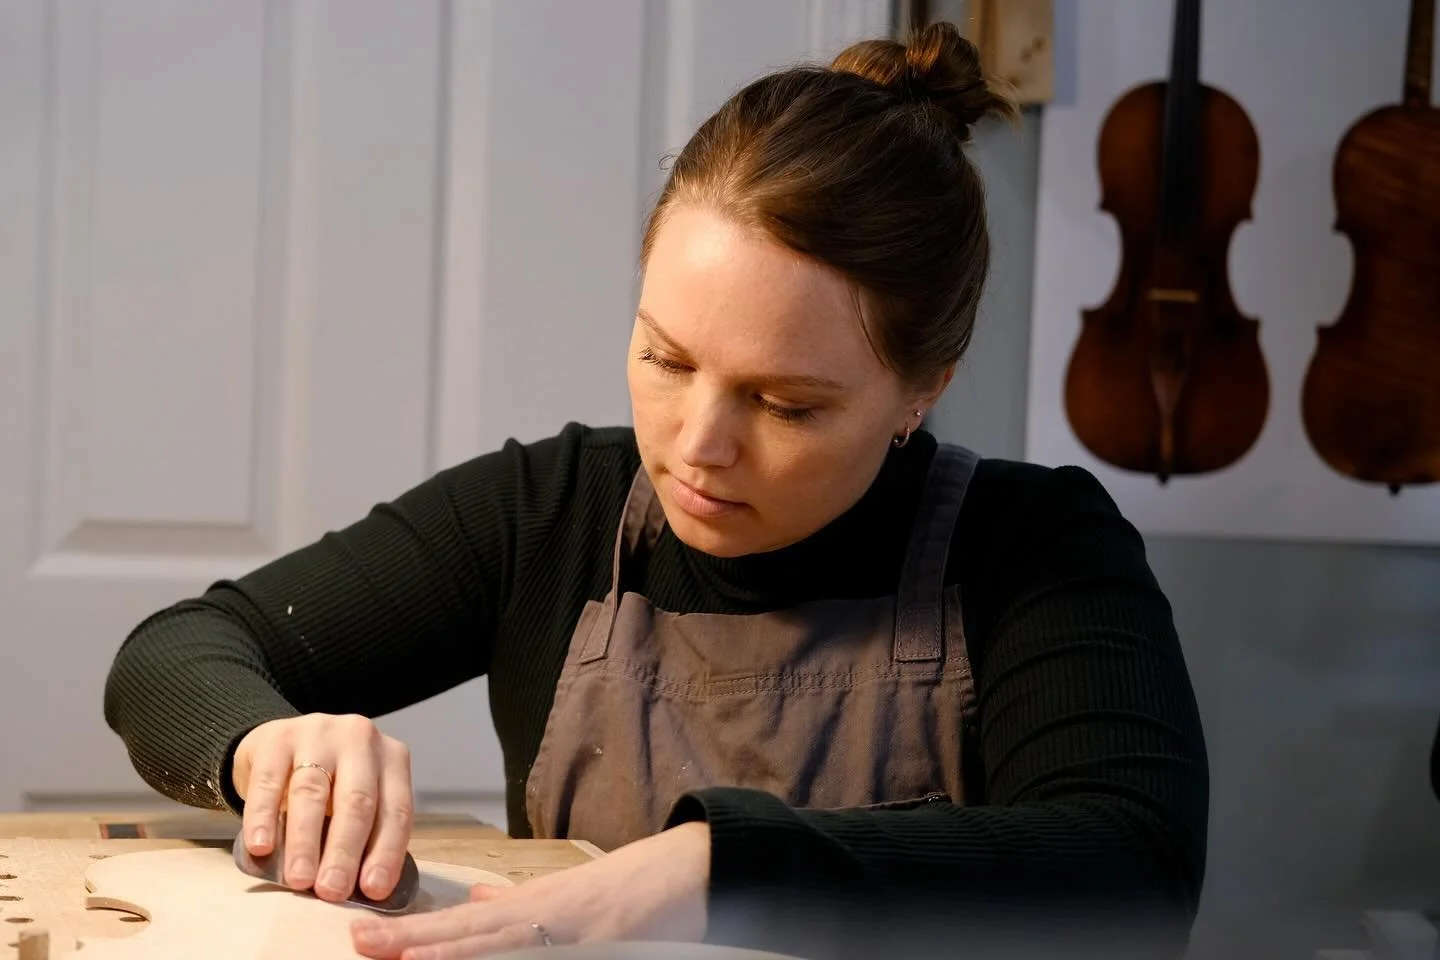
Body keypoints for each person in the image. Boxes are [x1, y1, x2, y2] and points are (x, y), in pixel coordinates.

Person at [103, 21, 1209, 960]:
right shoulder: (552, 513)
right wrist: (268, 747)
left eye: (786, 404)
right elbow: (177, 651)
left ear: (921, 390)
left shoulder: (1033, 547)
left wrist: (711, 864)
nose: (698, 444)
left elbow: (1133, 868)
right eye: (667, 359)